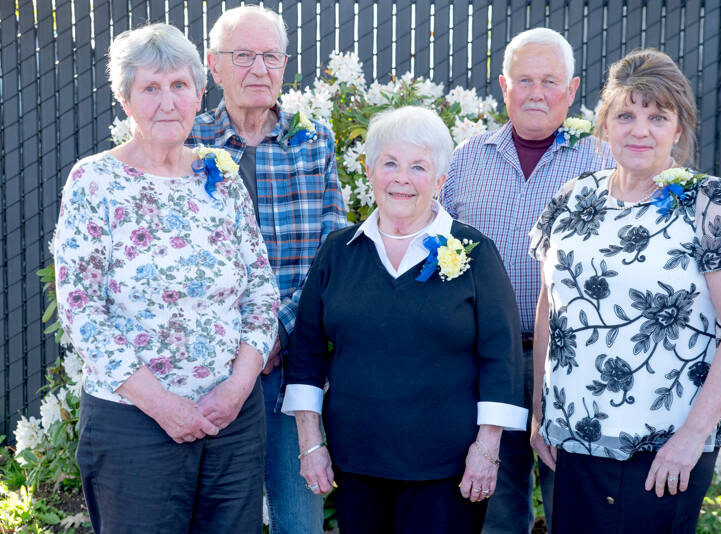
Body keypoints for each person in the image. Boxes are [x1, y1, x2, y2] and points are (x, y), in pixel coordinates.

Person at [528, 49, 721, 533]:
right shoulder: (573, 196)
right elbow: (551, 307)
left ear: (679, 129)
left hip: (664, 451)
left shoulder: (709, 204)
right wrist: (542, 412)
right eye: (625, 115)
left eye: (657, 117)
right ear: (605, 125)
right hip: (570, 444)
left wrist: (692, 436)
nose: (639, 131)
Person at [53, 23, 280, 533]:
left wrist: (237, 388)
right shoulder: (95, 181)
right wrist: (164, 406)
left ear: (199, 95)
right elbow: (82, 311)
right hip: (135, 424)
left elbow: (262, 294)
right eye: (150, 88)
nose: (167, 102)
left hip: (232, 423)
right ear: (125, 100)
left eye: (179, 85)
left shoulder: (221, 178)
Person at [281, 106, 528, 533]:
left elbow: (502, 357)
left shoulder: (474, 253)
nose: (402, 178)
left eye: (418, 167)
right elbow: (306, 353)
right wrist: (310, 444)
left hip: (449, 468)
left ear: (440, 180)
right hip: (356, 463)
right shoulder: (338, 252)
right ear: (370, 171)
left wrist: (487, 449)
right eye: (390, 163)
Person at [440, 27, 614, 533]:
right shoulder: (466, 158)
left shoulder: (604, 161)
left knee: (575, 503)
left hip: (573, 361)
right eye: (524, 80)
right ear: (503, 86)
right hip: (486, 360)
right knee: (495, 505)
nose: (536, 93)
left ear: (572, 89)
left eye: (550, 81)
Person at [186, 6, 347, 533]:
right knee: (215, 520)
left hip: (289, 362)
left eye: (270, 56)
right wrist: (243, 342)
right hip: (210, 367)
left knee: (298, 521)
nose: (259, 68)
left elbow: (331, 251)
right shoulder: (187, 143)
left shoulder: (314, 141)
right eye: (243, 56)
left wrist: (276, 331)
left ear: (284, 65)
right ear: (214, 65)